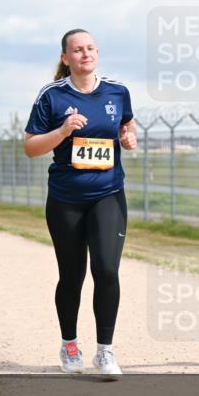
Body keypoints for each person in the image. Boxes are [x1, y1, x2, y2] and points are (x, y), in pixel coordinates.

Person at [25, 28, 137, 375]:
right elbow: (30, 147)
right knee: (72, 275)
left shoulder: (117, 91)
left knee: (106, 269)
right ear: (65, 58)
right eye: (77, 50)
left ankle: (105, 352)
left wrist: (129, 137)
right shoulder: (52, 96)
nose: (85, 54)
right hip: (66, 198)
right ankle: (70, 345)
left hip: (108, 193)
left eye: (90, 48)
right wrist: (62, 131)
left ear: (97, 53)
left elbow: (128, 125)